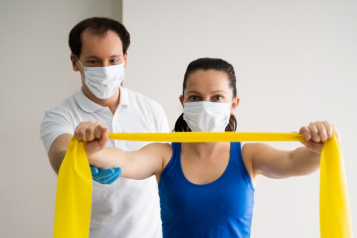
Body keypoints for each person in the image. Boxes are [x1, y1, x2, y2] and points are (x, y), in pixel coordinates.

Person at [75, 58, 341, 238]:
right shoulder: (164, 155)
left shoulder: (249, 155)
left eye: (217, 97)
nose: (206, 104)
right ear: (182, 101)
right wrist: (92, 149)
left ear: (233, 103)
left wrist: (320, 145)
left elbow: (296, 162)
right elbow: (124, 160)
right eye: (195, 98)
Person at [40, 17, 169, 238]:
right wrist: (79, 156)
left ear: (125, 59)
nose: (106, 69)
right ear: (74, 62)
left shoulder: (151, 109)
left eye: (113, 60)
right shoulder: (60, 115)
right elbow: (59, 157)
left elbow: (166, 173)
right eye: (93, 62)